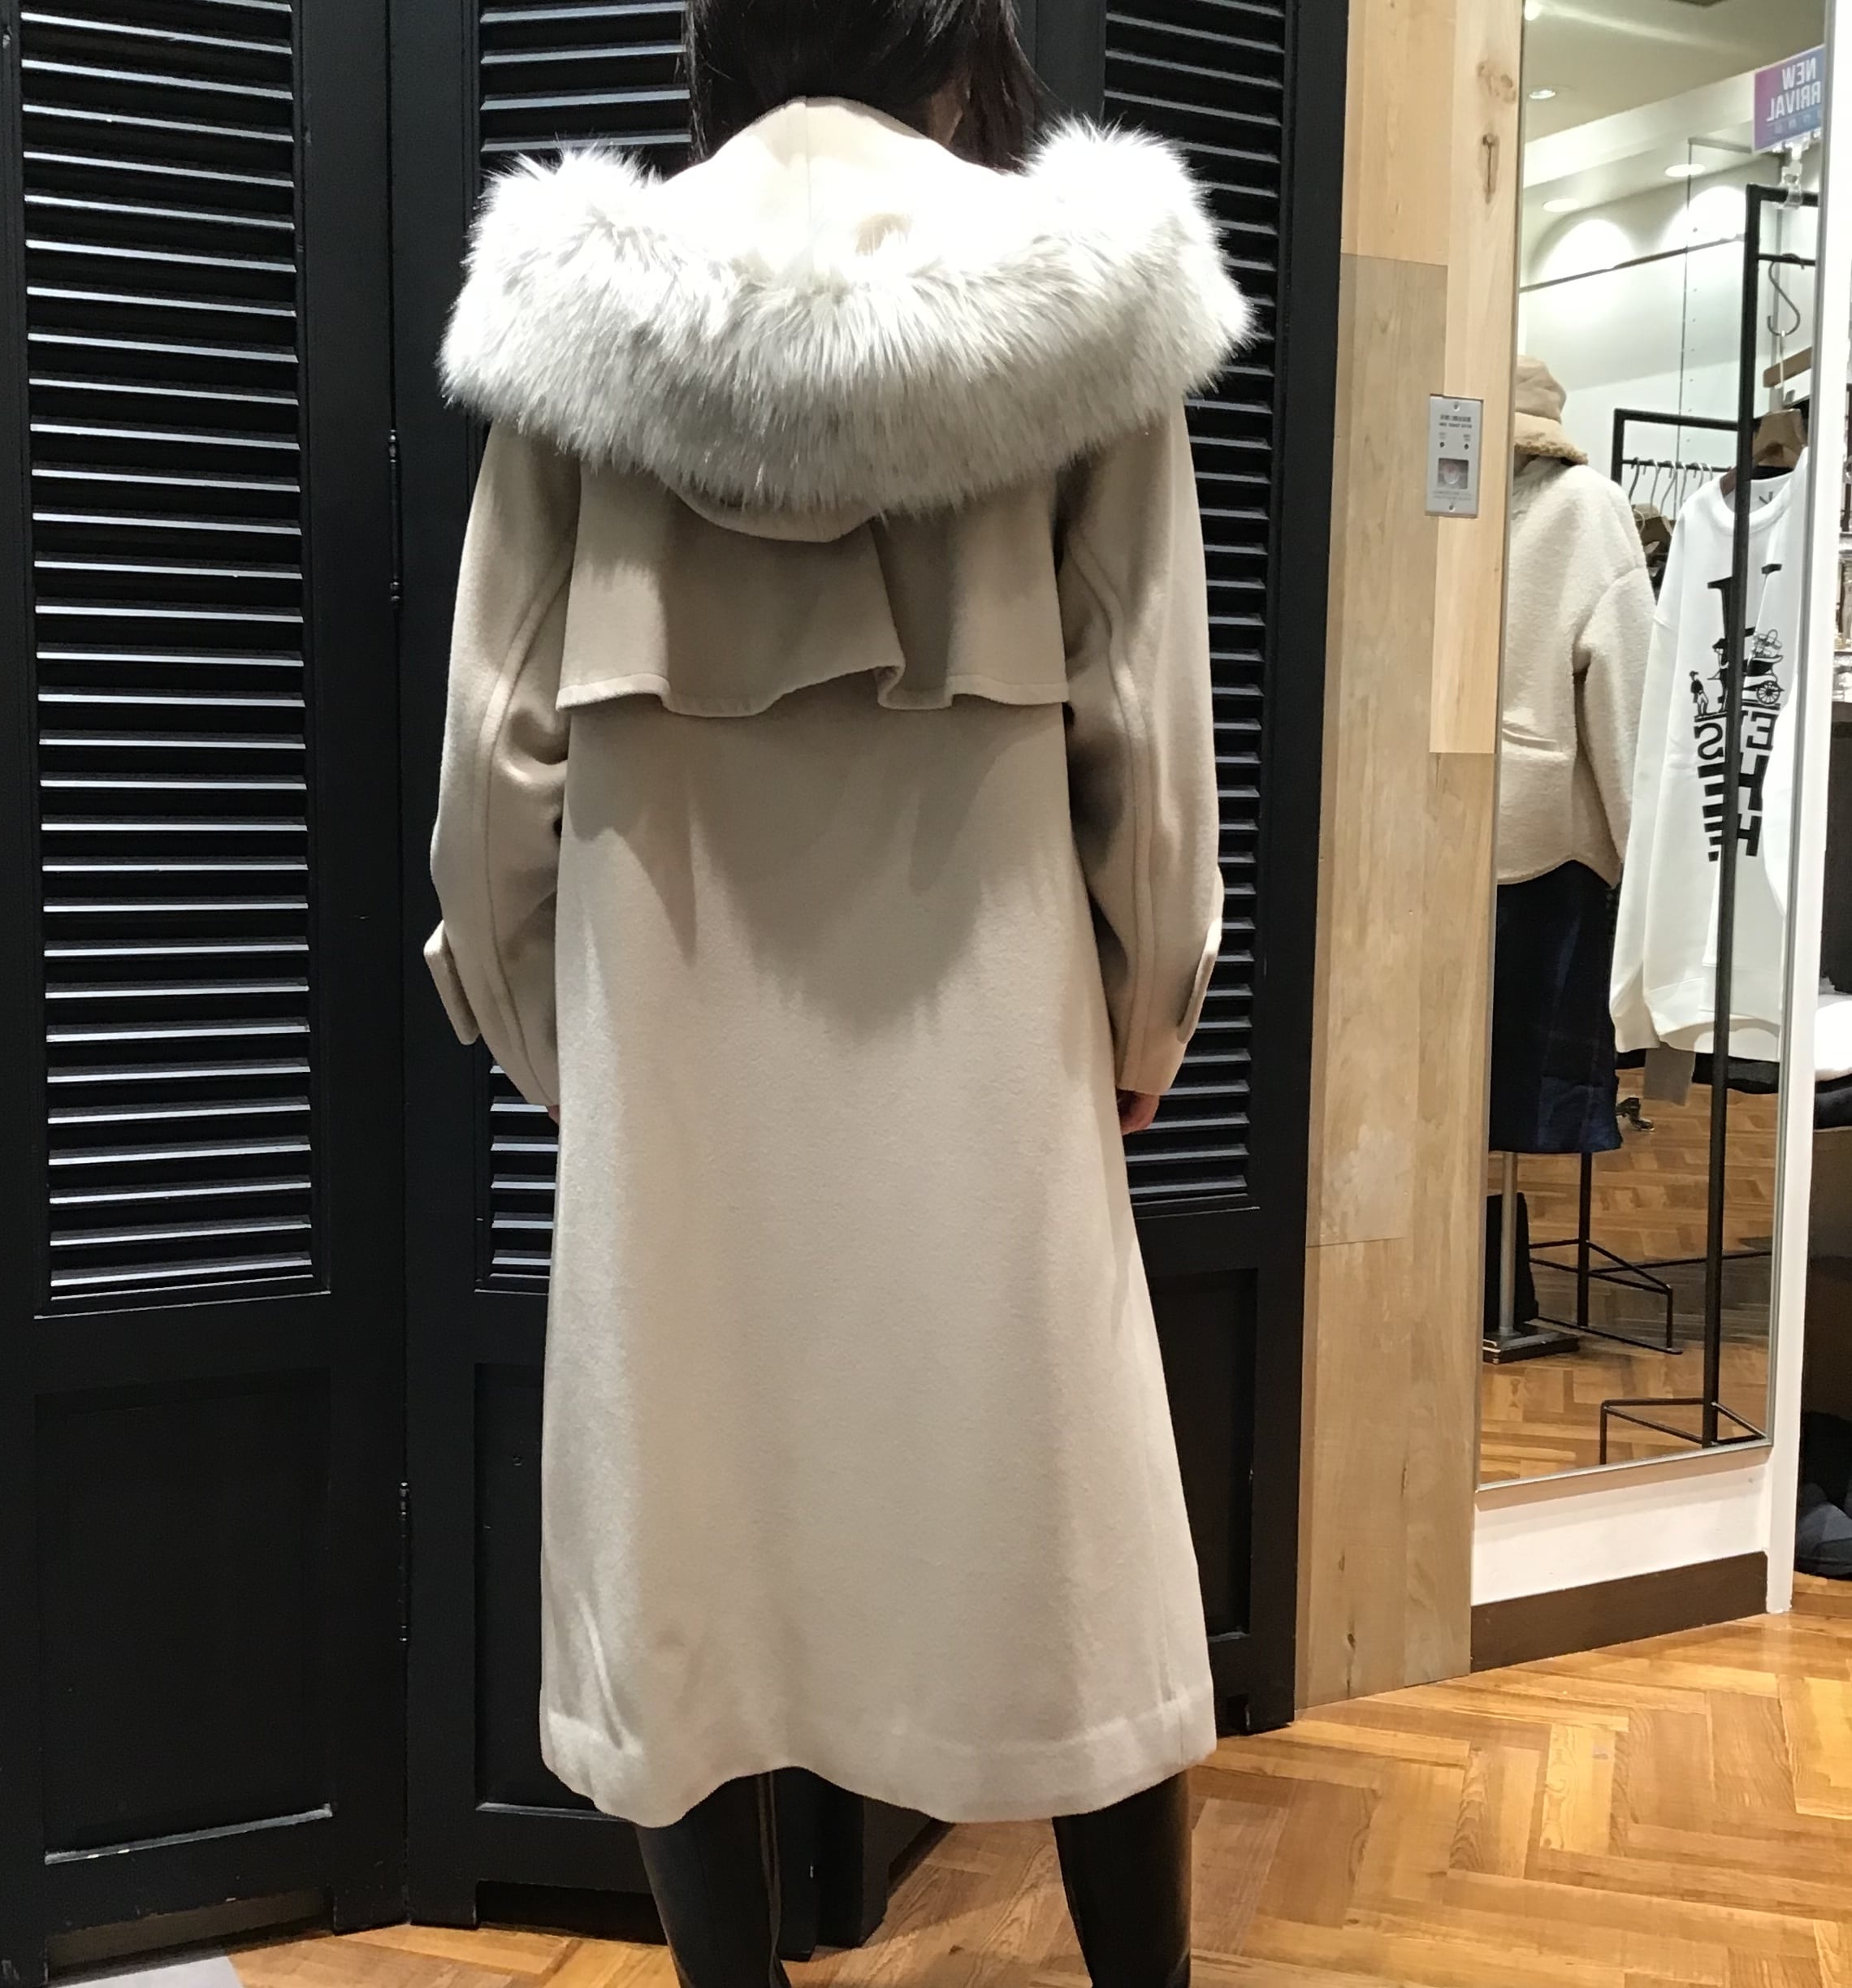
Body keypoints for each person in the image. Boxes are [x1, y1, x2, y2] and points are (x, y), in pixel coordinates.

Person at [425, 2, 1246, 1982]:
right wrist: (1144, 1021)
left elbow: (489, 759)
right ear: (955, 38)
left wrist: (557, 1044)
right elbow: (1149, 734)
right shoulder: (1081, 303)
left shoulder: (579, 316)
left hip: (675, 1036)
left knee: (690, 1549)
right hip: (994, 1041)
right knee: (1070, 1546)